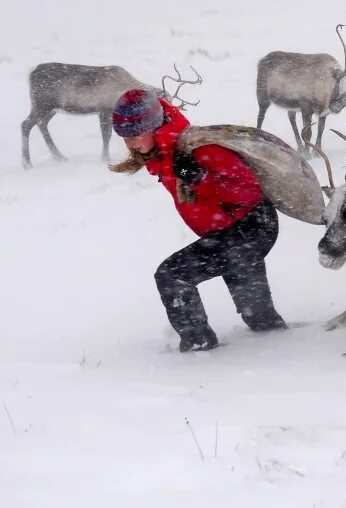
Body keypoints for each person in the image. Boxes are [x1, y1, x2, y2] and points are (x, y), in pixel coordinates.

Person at [109, 89, 287, 351]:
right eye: (124, 137)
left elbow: (249, 190)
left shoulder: (197, 146)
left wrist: (199, 179)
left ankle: (198, 349)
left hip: (250, 228)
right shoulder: (164, 149)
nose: (129, 143)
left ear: (153, 126)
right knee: (259, 318)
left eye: (134, 134)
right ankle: (283, 346)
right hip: (232, 230)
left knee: (172, 276)